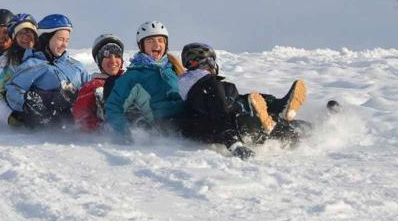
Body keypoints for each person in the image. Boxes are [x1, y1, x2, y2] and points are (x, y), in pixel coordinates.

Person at [176, 42, 308, 159]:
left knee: (252, 101)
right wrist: (235, 145)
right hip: (240, 126)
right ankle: (280, 113)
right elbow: (221, 113)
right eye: (211, 62)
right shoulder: (209, 85)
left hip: (234, 124)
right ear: (205, 63)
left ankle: (281, 110)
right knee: (268, 117)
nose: (213, 66)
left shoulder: (194, 90)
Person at [5, 14, 90, 128]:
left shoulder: (76, 66)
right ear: (46, 38)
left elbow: (89, 87)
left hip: (79, 119)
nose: (64, 44)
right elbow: (12, 90)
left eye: (67, 40)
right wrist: (29, 103)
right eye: (60, 39)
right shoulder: (33, 65)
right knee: (61, 93)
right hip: (47, 120)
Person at [104, 21, 184, 141]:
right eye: (150, 41)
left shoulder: (174, 68)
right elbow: (114, 106)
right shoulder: (134, 75)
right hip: (166, 125)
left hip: (187, 115)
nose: (156, 44)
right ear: (141, 45)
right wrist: (125, 134)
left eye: (160, 40)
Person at [0, 13, 39, 125]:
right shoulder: (8, 61)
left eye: (28, 32)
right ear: (14, 38)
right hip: (23, 111)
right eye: (20, 33)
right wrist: (10, 117)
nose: (25, 37)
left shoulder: (46, 54)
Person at [72, 34, 125, 132]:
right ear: (99, 61)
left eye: (117, 56)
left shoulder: (128, 81)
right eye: (107, 56)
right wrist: (97, 128)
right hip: (107, 129)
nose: (113, 61)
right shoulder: (93, 86)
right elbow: (81, 116)